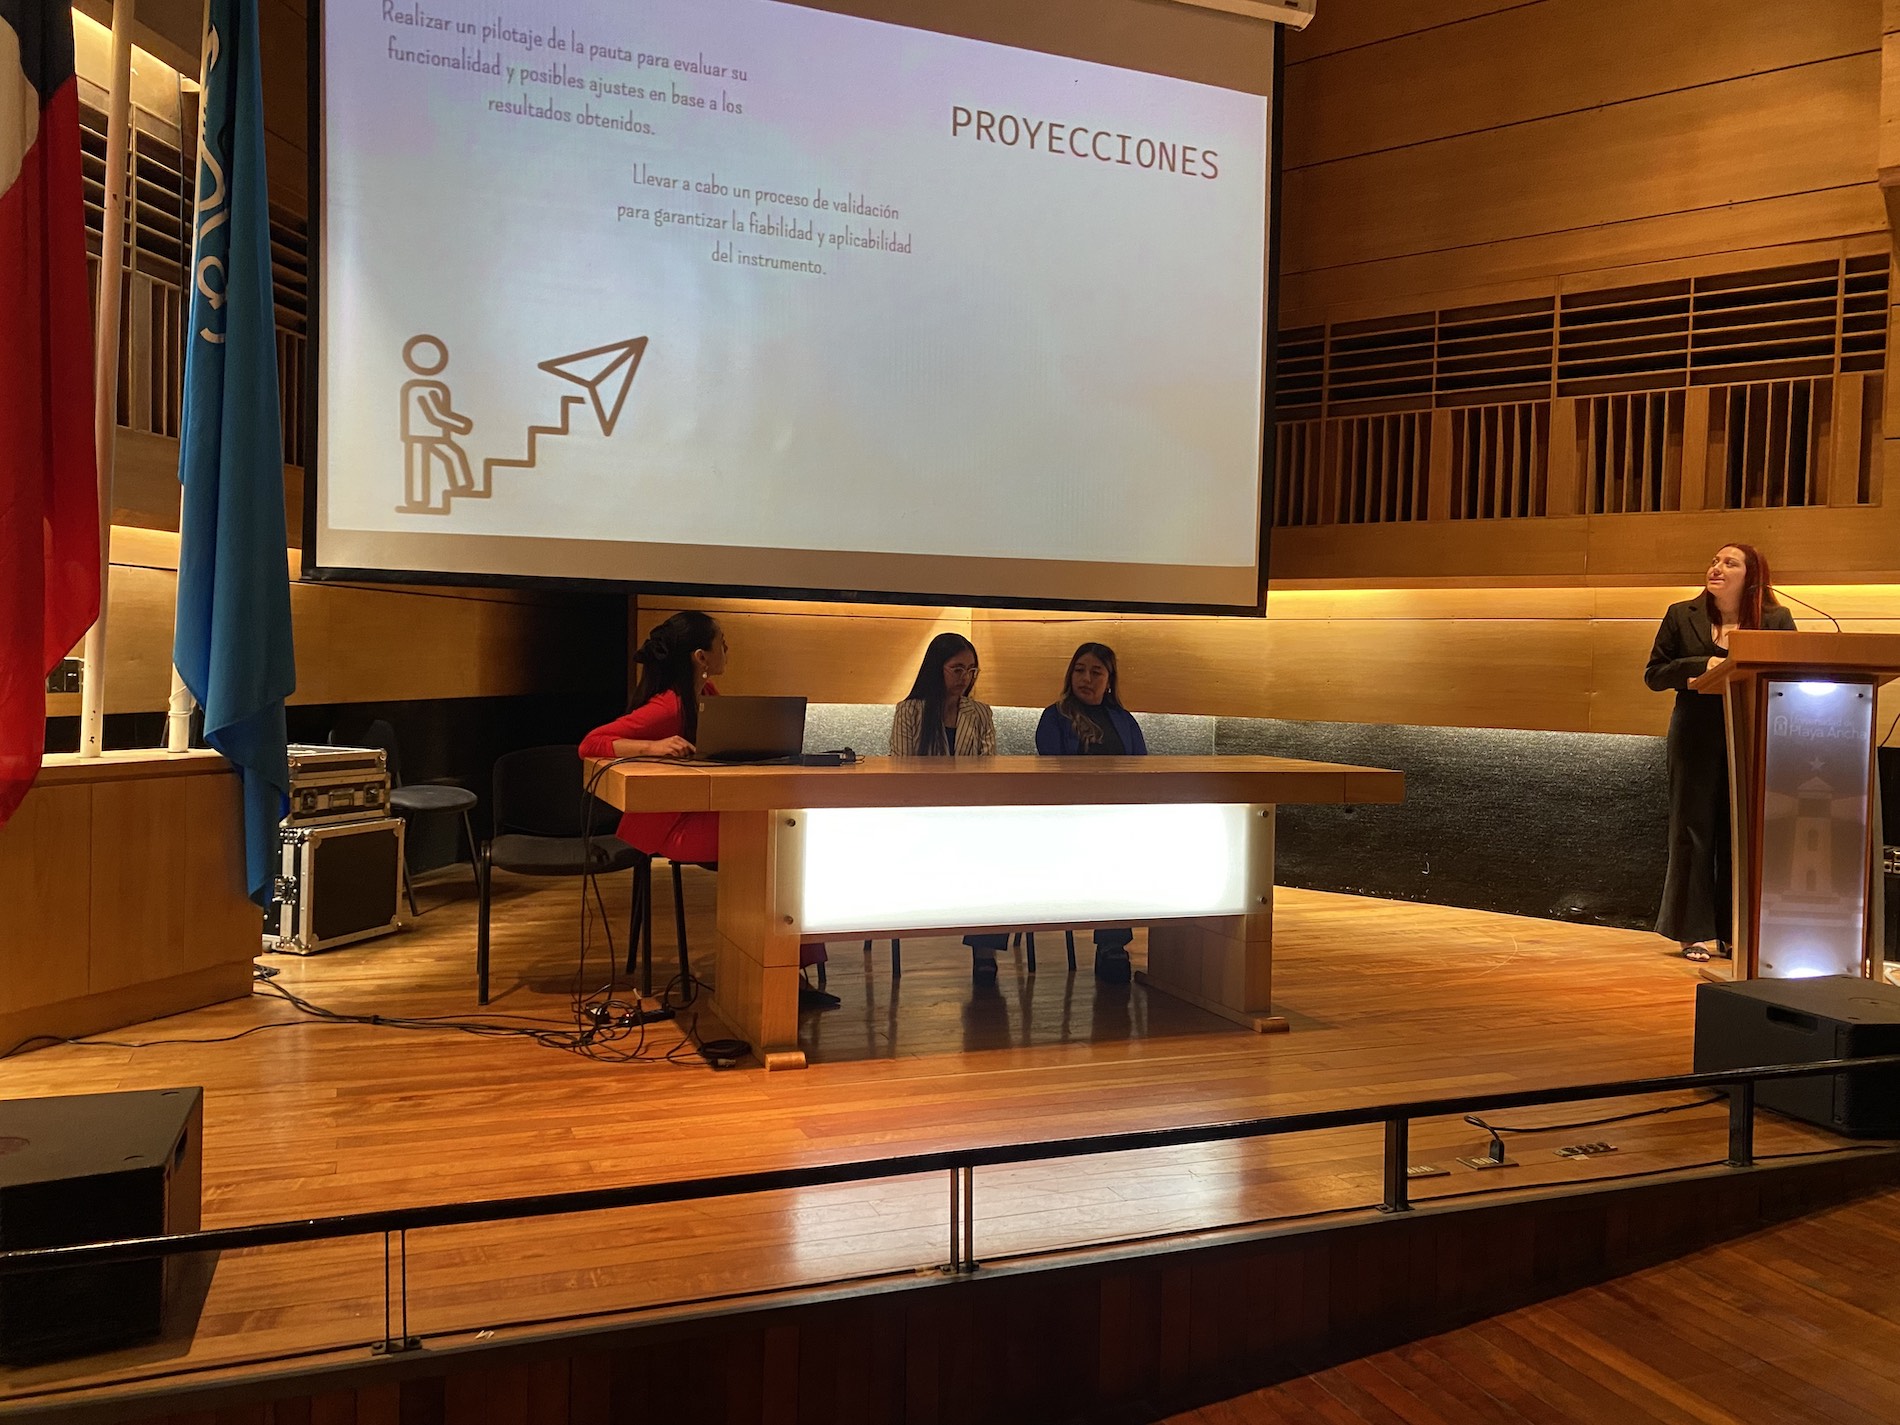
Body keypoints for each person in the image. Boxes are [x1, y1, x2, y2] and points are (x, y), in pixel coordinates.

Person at [580, 612, 837, 1007]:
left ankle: (780, 970)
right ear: (701, 656)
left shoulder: (707, 694)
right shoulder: (668, 706)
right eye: (722, 643)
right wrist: (652, 746)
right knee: (781, 846)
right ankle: (785, 975)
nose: (727, 650)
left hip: (701, 813)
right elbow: (591, 743)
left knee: (786, 838)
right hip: (674, 826)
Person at [1644, 543, 1796, 963]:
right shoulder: (1681, 615)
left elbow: (1793, 669)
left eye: (1730, 563)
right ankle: (1691, 932)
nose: (1717, 568)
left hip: (1751, 728)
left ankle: (1735, 932)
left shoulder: (1776, 619)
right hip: (1695, 732)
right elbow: (1654, 674)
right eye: (1714, 561)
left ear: (1752, 576)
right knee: (1692, 828)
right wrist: (1700, 666)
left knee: (1741, 831)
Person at [890, 633, 1005, 981]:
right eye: (957, 669)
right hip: (922, 815)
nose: (964, 678)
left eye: (971, 670)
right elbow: (902, 771)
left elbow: (988, 767)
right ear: (936, 668)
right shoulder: (910, 711)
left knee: (994, 854)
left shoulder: (980, 712)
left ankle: (984, 952)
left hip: (971, 814)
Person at [1035, 642, 1146, 982]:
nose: (1086, 678)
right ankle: (1112, 944)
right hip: (1070, 821)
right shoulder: (1055, 717)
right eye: (1079, 670)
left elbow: (1142, 769)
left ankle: (1117, 943)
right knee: (1111, 850)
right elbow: (1052, 775)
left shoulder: (1124, 720)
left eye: (1096, 672)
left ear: (1110, 680)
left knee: (1123, 846)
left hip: (1117, 820)